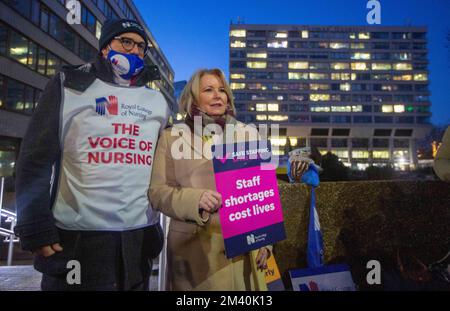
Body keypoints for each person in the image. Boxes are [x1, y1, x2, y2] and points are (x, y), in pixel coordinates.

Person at [14, 19, 170, 291]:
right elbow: (35, 158)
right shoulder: (69, 84)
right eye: (126, 42)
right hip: (76, 240)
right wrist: (33, 223)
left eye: (141, 46)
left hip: (137, 240)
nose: (135, 50)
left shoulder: (157, 102)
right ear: (105, 47)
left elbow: (168, 161)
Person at [149, 69, 271, 290]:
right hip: (194, 256)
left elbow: (260, 194)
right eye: (209, 90)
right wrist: (194, 200)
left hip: (244, 257)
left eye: (222, 90)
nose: (218, 95)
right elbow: (157, 192)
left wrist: (265, 240)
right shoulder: (171, 137)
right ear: (193, 98)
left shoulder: (250, 135)